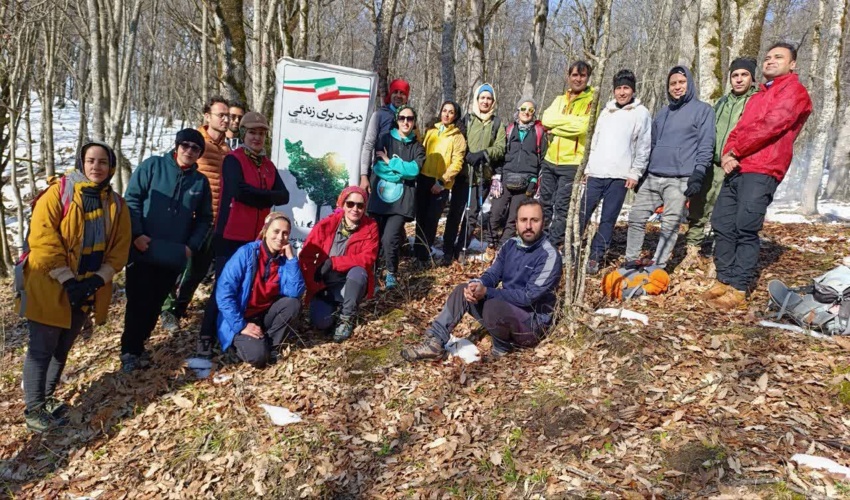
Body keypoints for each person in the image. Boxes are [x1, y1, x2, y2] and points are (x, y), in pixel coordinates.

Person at [20, 142, 131, 432]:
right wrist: (67, 280)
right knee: (42, 347)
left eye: (103, 162)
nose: (96, 167)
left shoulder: (117, 205)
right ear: (82, 163)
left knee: (62, 346)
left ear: (111, 167)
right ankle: (33, 409)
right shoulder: (58, 193)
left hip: (88, 288)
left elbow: (119, 250)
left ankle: (46, 399)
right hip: (49, 282)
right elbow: (42, 239)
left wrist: (96, 280)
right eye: (91, 160)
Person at [704, 43, 812, 308]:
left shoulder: (794, 92)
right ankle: (723, 278)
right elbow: (739, 129)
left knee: (746, 226)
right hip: (737, 166)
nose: (770, 61)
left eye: (778, 57)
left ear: (792, 64)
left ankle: (739, 287)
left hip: (764, 167)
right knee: (722, 222)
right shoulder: (758, 96)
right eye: (768, 57)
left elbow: (772, 125)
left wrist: (736, 150)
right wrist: (728, 153)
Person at [401, 199, 562, 361]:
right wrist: (477, 285)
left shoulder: (549, 255)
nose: (528, 226)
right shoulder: (510, 245)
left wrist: (487, 292)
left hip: (530, 325)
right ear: (516, 222)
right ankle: (435, 342)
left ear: (543, 223)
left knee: (493, 304)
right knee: (463, 290)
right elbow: (492, 274)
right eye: (523, 220)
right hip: (506, 310)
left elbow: (528, 296)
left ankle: (502, 348)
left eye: (534, 220)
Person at [197, 111, 289, 357]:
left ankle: (237, 332)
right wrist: (266, 197)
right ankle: (206, 335)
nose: (256, 138)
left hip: (257, 238)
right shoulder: (233, 160)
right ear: (244, 134)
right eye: (252, 133)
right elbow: (238, 192)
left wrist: (258, 196)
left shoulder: (267, 165)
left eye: (261, 134)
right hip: (231, 235)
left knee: (249, 285)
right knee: (224, 284)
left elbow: (284, 195)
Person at [121, 129, 213, 373]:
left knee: (156, 304)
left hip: (173, 255)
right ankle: (129, 351)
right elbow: (132, 200)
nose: (189, 151)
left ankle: (140, 346)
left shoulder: (200, 182)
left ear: (200, 153)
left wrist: (190, 247)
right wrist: (137, 234)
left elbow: (205, 218)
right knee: (137, 303)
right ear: (177, 145)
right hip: (143, 249)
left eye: (195, 148)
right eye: (185, 145)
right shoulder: (153, 166)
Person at [624, 66, 715, 269]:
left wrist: (698, 173)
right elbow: (652, 144)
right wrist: (643, 173)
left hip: (680, 178)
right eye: (673, 83)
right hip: (653, 176)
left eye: (681, 82)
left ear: (689, 84)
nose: (677, 87)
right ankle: (631, 260)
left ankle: (658, 266)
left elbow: (706, 145)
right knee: (636, 217)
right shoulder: (663, 113)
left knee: (670, 224)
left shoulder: (703, 110)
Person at [160, 96, 232, 330]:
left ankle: (180, 308)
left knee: (198, 270)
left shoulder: (226, 149)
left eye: (228, 115)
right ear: (207, 116)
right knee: (175, 264)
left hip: (213, 219)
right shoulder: (193, 143)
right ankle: (166, 308)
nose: (225, 119)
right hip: (187, 216)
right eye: (221, 115)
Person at [681, 58, 758, 271]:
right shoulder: (722, 102)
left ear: (752, 78)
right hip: (712, 164)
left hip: (736, 165)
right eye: (735, 75)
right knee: (698, 206)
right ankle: (692, 250)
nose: (739, 79)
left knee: (725, 214)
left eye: (744, 75)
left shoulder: (756, 102)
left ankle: (720, 256)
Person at [579, 70, 651, 274]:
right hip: (596, 173)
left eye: (626, 88)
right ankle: (571, 249)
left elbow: (644, 146)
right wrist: (588, 167)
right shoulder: (606, 111)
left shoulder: (641, 113)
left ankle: (595, 257)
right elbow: (595, 141)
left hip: (620, 177)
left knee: (608, 219)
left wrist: (635, 172)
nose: (622, 92)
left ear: (633, 90)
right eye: (618, 88)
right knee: (582, 213)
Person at [216, 213, 305, 368]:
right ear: (265, 231)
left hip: (264, 315)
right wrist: (242, 326)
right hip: (240, 317)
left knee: (292, 304)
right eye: (276, 231)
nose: (280, 237)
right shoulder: (246, 253)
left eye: (285, 233)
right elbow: (224, 293)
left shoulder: (284, 259)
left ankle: (271, 344)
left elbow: (295, 292)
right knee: (258, 357)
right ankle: (239, 346)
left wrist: (291, 259)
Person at [300, 186, 379, 342]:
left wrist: (333, 262)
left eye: (360, 205)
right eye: (350, 204)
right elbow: (306, 257)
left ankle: (347, 317)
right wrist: (315, 286)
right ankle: (332, 308)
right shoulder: (326, 225)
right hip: (325, 284)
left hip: (352, 282)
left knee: (359, 271)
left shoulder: (370, 227)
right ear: (342, 204)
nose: (355, 209)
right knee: (321, 323)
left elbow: (368, 258)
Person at [442, 83, 507, 262]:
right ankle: (447, 249)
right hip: (463, 176)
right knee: (455, 213)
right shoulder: (467, 119)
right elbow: (458, 138)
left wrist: (484, 154)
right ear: (477, 100)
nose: (485, 101)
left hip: (482, 177)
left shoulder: (497, 123)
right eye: (482, 98)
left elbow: (501, 147)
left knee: (471, 216)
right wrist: (467, 154)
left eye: (489, 98)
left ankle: (461, 248)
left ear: (493, 101)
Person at [367, 104, 425, 289]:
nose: (406, 122)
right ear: (397, 120)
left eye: (410, 119)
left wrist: (390, 161)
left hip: (402, 201)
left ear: (414, 122)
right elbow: (379, 168)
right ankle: (373, 272)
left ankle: (391, 272)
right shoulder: (384, 138)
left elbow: (414, 171)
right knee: (375, 236)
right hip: (379, 198)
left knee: (390, 238)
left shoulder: (418, 147)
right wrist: (401, 171)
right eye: (402, 118)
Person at [540, 61, 596, 248]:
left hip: (571, 163)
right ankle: (540, 239)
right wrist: (568, 122)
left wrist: (557, 128)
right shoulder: (559, 100)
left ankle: (552, 244)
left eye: (582, 75)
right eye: (574, 75)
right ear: (568, 76)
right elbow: (546, 120)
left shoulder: (592, 101)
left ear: (588, 77)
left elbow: (583, 127)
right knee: (545, 203)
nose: (578, 79)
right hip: (550, 160)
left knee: (562, 206)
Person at [414, 100, 466, 267]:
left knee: (431, 219)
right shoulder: (432, 130)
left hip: (441, 182)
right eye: (444, 111)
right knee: (420, 217)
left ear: (455, 116)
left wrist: (442, 181)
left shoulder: (458, 137)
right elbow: (421, 149)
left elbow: (457, 162)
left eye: (451, 112)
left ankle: (425, 254)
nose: (447, 114)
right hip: (424, 178)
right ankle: (417, 252)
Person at [489, 98, 547, 247]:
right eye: (523, 109)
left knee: (514, 218)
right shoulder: (508, 130)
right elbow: (500, 155)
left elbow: (542, 160)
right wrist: (497, 176)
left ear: (534, 113)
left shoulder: (539, 132)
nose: (526, 112)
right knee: (495, 213)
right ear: (518, 110)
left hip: (526, 182)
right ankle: (491, 243)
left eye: (531, 110)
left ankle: (503, 247)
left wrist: (534, 182)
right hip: (505, 179)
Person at [360, 79, 411, 192]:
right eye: (395, 92)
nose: (398, 96)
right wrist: (364, 176)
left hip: (402, 178)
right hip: (379, 175)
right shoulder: (379, 115)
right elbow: (368, 145)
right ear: (390, 94)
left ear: (407, 97)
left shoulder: (410, 119)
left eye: (402, 93)